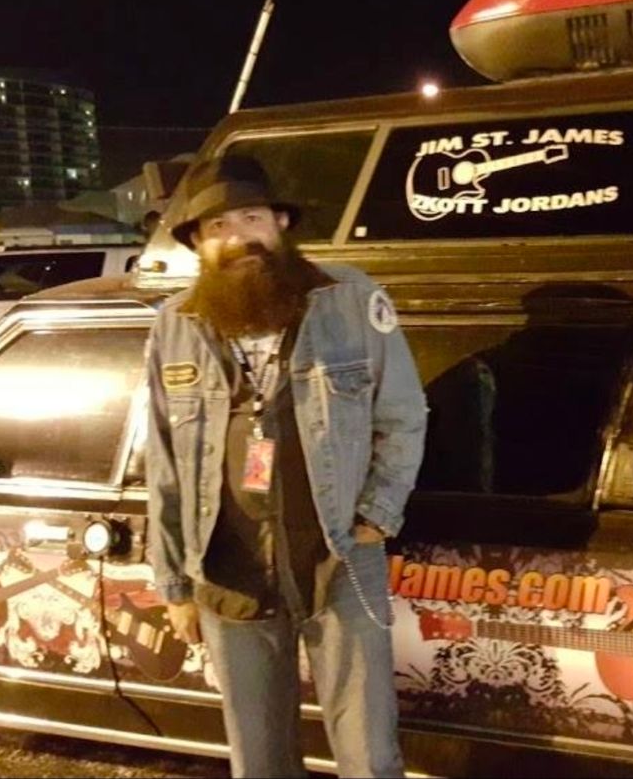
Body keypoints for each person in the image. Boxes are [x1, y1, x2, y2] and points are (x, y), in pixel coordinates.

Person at [144, 155, 427, 778]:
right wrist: (175, 586)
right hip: (226, 565)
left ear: (280, 222)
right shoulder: (174, 326)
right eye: (217, 227)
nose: (238, 237)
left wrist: (377, 515)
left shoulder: (351, 300)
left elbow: (404, 414)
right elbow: (162, 460)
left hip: (339, 556)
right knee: (259, 758)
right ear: (198, 244)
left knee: (369, 755)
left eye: (251, 218)